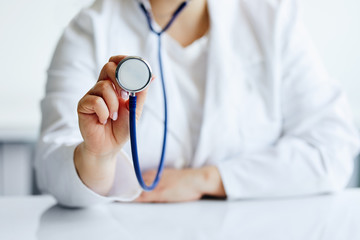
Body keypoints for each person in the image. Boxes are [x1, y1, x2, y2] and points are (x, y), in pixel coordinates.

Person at [35, 0, 360, 207]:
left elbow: (333, 151)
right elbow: (51, 167)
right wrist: (98, 156)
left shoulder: (273, 20)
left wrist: (208, 179)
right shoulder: (89, 29)